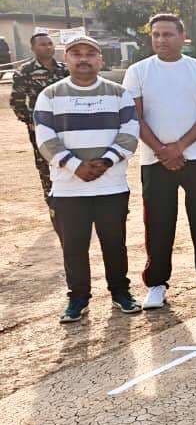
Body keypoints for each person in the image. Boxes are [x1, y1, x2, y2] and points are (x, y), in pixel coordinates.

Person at [36, 35, 141, 322]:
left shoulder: (118, 94)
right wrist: (75, 166)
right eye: (76, 54)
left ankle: (121, 292)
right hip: (69, 188)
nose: (83, 59)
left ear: (100, 59)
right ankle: (78, 298)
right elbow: (45, 139)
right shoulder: (50, 95)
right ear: (66, 59)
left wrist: (106, 161)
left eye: (90, 54)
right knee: (74, 247)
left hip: (111, 185)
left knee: (114, 244)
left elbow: (130, 133)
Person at [125, 13, 196, 309]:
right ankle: (157, 283)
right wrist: (162, 150)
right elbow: (135, 117)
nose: (161, 40)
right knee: (158, 223)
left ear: (183, 37)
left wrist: (179, 146)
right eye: (156, 34)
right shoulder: (138, 71)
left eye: (168, 34)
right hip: (155, 161)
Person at [9, 29, 68, 223]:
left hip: (66, 127)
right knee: (45, 165)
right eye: (43, 44)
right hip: (41, 129)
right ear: (33, 48)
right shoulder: (25, 71)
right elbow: (17, 102)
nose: (48, 47)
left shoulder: (64, 70)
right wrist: (32, 123)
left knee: (69, 161)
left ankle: (72, 204)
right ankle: (54, 206)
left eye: (50, 43)